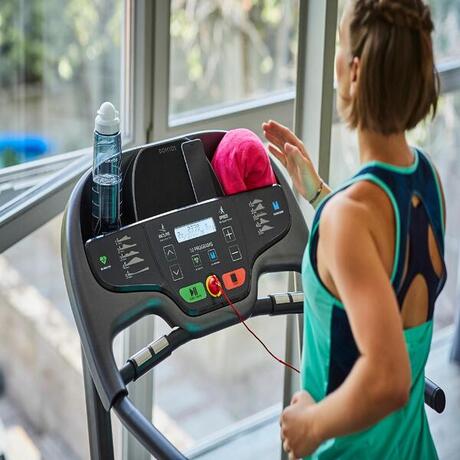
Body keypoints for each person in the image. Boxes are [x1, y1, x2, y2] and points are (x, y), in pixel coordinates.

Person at [263, 0, 446, 458]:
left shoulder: (349, 219)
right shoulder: (427, 180)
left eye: (340, 44)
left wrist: (310, 425)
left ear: (356, 72)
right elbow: (383, 262)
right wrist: (320, 195)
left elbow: (389, 379)